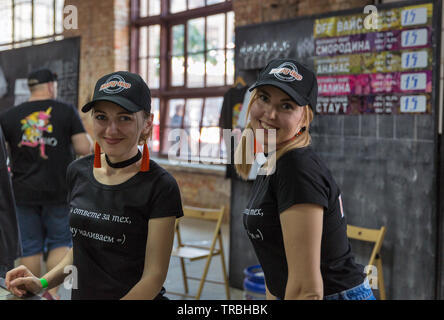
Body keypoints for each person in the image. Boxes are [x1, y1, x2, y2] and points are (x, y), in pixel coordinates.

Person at [5, 71, 183, 300]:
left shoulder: (160, 185)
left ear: (147, 124)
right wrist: (41, 283)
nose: (111, 130)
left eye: (124, 118)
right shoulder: (78, 171)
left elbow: (153, 277)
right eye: (101, 117)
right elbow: (78, 252)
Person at [234, 59, 375, 300]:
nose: (270, 113)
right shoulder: (273, 160)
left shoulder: (296, 168)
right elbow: (276, 271)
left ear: (305, 119)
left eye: (286, 106)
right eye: (264, 98)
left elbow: (307, 290)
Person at [0, 68, 91, 299]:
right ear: (51, 86)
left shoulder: (9, 116)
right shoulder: (65, 110)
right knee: (60, 241)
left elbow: (4, 157)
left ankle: (30, 294)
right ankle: (50, 293)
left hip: (22, 191)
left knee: (30, 245)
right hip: (59, 190)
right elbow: (84, 148)